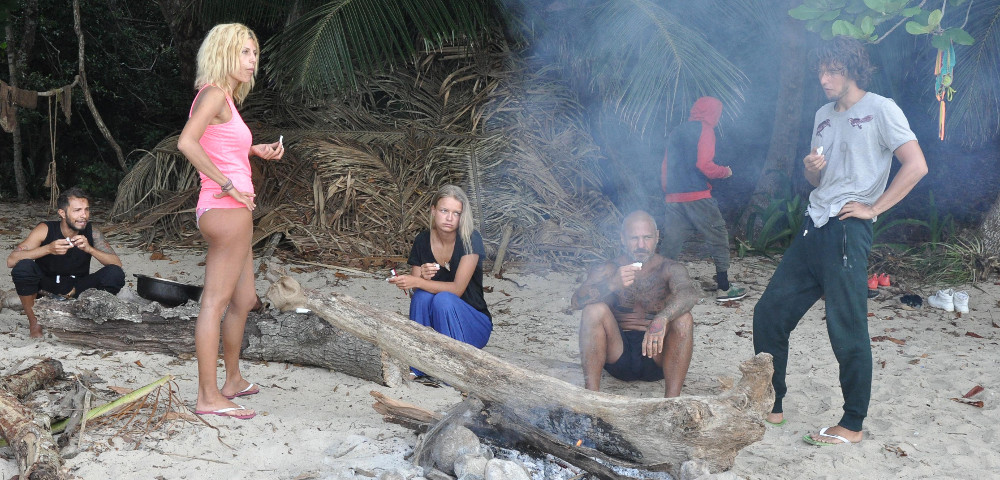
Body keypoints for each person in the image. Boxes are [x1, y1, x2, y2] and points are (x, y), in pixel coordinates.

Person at [752, 36, 927, 446]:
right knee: (769, 312)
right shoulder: (822, 115)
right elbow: (819, 180)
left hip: (849, 228)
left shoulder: (881, 109)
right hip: (814, 224)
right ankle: (771, 403)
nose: (824, 79)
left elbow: (916, 165)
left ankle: (852, 423)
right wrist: (812, 170)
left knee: (845, 326)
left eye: (831, 71)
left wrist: (874, 208)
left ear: (852, 70)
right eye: (820, 71)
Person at [177, 23, 284, 420]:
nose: (252, 61)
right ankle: (207, 397)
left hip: (231, 211)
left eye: (255, 53)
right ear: (223, 52)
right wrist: (226, 184)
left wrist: (253, 150)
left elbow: (218, 145)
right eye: (244, 52)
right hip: (225, 211)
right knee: (215, 303)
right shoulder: (213, 93)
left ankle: (233, 380)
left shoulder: (226, 100)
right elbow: (186, 142)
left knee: (243, 300)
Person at [572, 210, 699, 397]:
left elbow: (689, 294)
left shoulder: (669, 268)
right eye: (634, 238)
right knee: (593, 310)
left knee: (684, 318)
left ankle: (672, 402)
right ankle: (591, 397)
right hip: (617, 354)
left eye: (647, 237)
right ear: (623, 239)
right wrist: (611, 284)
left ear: (657, 237)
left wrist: (662, 318)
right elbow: (576, 302)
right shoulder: (610, 268)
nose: (641, 245)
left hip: (658, 357)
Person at [388, 185, 492, 376]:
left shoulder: (470, 239)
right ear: (434, 210)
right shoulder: (422, 240)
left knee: (444, 299)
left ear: (462, 216)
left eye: (456, 213)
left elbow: (458, 289)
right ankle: (418, 365)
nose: (449, 218)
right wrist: (420, 279)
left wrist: (418, 281)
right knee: (422, 297)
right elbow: (415, 293)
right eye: (444, 211)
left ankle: (452, 369)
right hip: (437, 322)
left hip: (473, 324)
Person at [7, 187, 125, 338]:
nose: (84, 215)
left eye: (86, 210)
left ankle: (92, 318)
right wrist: (48, 249)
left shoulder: (92, 232)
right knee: (23, 267)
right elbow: (11, 260)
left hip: (78, 288)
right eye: (77, 210)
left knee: (114, 274)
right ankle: (35, 323)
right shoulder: (45, 229)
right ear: (62, 213)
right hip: (45, 287)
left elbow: (117, 264)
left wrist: (90, 249)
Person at [658, 96, 745, 302]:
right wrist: (725, 171)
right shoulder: (705, 129)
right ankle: (724, 287)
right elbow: (704, 164)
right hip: (697, 195)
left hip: (673, 195)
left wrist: (668, 189)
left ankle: (658, 286)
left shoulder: (677, 131)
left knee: (672, 241)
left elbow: (665, 165)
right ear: (712, 112)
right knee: (718, 236)